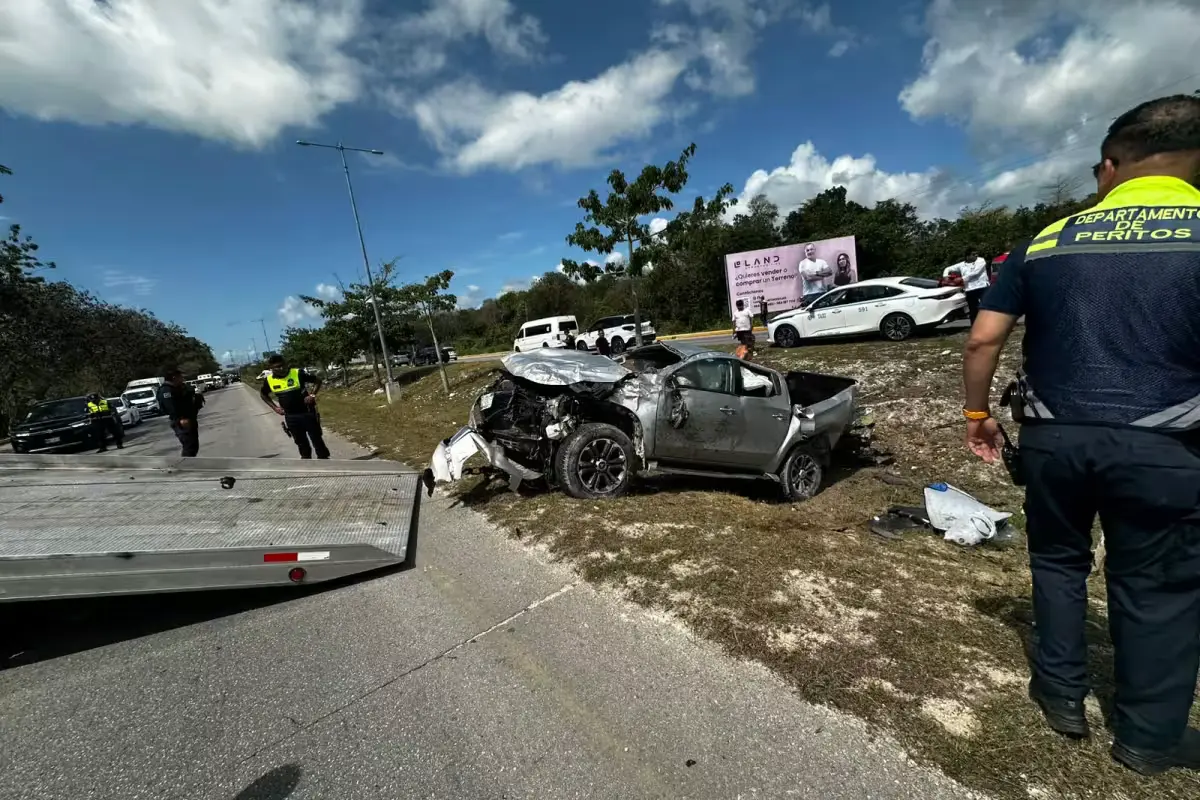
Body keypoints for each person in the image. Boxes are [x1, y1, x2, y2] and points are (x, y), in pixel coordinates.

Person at [961, 94, 1200, 776]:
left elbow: (983, 340)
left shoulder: (1047, 240)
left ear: (1109, 166)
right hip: (1167, 444)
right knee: (1155, 588)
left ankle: (1062, 694)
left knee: (1058, 563)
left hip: (1054, 441)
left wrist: (979, 417)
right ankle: (1148, 737)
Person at [260, 355, 330, 459]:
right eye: (277, 367)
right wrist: (275, 408)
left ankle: (325, 463)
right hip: (291, 416)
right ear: (271, 368)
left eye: (283, 365)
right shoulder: (269, 380)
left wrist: (312, 395)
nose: (281, 368)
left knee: (317, 440)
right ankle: (307, 463)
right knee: (301, 443)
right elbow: (263, 394)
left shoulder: (297, 373)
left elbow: (317, 381)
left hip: (307, 412)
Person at [158, 368, 203, 457]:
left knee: (193, 445)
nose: (182, 378)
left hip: (189, 418)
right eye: (180, 377)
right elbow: (171, 407)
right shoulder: (166, 390)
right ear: (174, 377)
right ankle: (186, 466)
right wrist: (181, 418)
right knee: (189, 447)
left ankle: (190, 464)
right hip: (181, 421)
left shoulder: (179, 387)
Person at [959, 247, 991, 322]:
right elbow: (949, 269)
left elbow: (975, 272)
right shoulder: (961, 265)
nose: (976, 255)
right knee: (973, 309)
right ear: (967, 256)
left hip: (982, 287)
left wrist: (962, 279)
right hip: (970, 289)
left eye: (976, 253)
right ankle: (975, 326)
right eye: (973, 254)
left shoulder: (981, 260)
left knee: (987, 307)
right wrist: (946, 276)